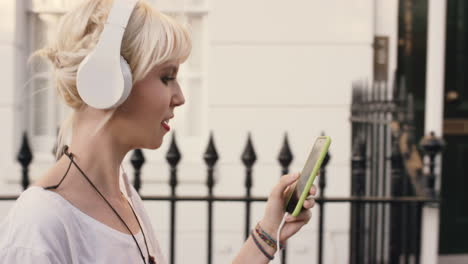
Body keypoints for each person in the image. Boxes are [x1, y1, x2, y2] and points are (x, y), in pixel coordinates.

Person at [0, 0, 316, 263]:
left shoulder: (123, 194)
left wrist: (268, 232)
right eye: (167, 77)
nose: (180, 96)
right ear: (109, 82)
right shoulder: (40, 224)